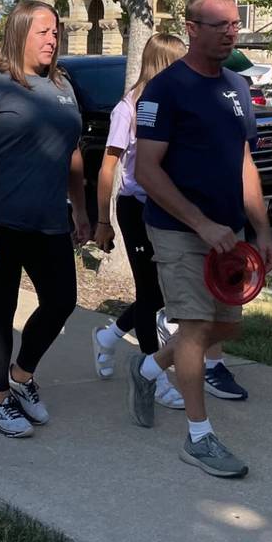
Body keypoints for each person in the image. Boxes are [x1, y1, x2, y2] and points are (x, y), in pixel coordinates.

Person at [133, 0, 272, 478]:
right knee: (194, 328)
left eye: (235, 24)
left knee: (227, 326)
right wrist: (201, 223)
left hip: (229, 234)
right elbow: (149, 171)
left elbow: (244, 164)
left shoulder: (237, 87)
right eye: (220, 25)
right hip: (178, 229)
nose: (231, 33)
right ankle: (199, 437)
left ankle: (150, 367)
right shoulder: (166, 89)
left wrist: (261, 230)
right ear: (192, 29)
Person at [0, 0, 88, 437]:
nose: (53, 39)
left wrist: (82, 207)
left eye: (56, 31)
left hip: (50, 219)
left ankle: (21, 375)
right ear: (19, 34)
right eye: (44, 31)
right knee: (0, 309)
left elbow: (72, 152)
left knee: (61, 301)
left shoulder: (64, 86)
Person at [91, 34, 187, 422]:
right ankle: (153, 372)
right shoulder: (128, 108)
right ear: (164, 64)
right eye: (180, 62)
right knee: (151, 294)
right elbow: (108, 167)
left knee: (158, 293)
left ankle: (109, 336)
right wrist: (102, 221)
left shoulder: (175, 104)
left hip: (169, 208)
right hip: (136, 207)